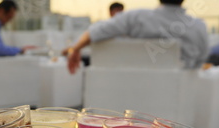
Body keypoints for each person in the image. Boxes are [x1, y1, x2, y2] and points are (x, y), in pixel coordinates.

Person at [65, 0, 209, 74]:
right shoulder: (199, 26)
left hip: (132, 98)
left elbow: (95, 32)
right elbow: (200, 63)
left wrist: (76, 49)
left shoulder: (136, 17)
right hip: (179, 101)